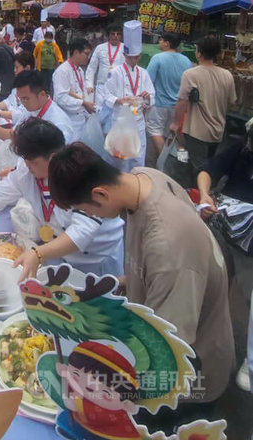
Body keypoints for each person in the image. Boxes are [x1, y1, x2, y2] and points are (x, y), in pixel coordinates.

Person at [48, 143, 235, 430]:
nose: (93, 217)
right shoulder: (142, 178)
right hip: (168, 314)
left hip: (190, 373)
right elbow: (153, 273)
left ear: (100, 193)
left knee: (157, 424)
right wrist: (123, 284)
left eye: (87, 210)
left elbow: (168, 349)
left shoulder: (169, 247)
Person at [0, 119, 124, 279]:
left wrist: (38, 253)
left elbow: (80, 233)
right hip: (58, 250)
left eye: (33, 162)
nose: (27, 166)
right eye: (25, 160)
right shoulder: (27, 169)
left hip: (96, 256)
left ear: (53, 158)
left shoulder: (79, 174)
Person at [171, 35, 237, 177]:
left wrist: (176, 123)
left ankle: (202, 195)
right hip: (218, 131)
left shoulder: (190, 74)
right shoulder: (227, 75)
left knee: (199, 170)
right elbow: (232, 102)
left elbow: (182, 101)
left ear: (199, 53)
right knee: (209, 165)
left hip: (196, 132)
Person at [104, 22, 155, 171]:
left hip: (138, 121)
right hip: (120, 119)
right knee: (121, 159)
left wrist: (147, 97)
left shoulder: (144, 73)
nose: (133, 60)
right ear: (124, 55)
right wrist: (118, 100)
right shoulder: (115, 72)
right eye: (130, 57)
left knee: (138, 158)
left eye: (136, 57)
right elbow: (106, 94)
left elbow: (152, 96)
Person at [0, 69, 73, 143]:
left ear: (42, 94)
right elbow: (14, 134)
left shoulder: (58, 124)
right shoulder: (32, 109)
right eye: (21, 99)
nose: (23, 103)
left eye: (25, 99)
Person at [146, 32, 192, 157]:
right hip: (178, 106)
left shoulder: (158, 58)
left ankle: (165, 161)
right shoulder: (186, 61)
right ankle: (181, 160)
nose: (159, 42)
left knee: (155, 131)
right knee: (174, 134)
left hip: (159, 104)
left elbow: (148, 80)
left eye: (161, 40)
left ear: (167, 43)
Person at [53, 38, 95, 141]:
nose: (88, 57)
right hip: (68, 120)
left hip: (81, 119)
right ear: (76, 52)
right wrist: (83, 103)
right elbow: (60, 98)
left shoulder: (80, 70)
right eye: (86, 54)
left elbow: (82, 92)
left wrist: (89, 107)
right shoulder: (62, 71)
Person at [85, 24, 124, 109]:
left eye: (118, 34)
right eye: (113, 34)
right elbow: (92, 67)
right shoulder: (100, 48)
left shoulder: (125, 49)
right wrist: (89, 85)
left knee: (116, 114)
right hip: (101, 87)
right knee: (100, 112)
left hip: (117, 88)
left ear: (121, 36)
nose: (115, 36)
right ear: (108, 35)